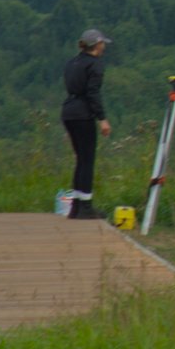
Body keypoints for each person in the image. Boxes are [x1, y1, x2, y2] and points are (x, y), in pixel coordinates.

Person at [59, 29, 112, 220]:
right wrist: (102, 118)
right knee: (87, 160)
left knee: (80, 160)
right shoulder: (95, 65)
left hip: (68, 112)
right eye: (102, 44)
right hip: (83, 114)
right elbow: (92, 93)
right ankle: (86, 206)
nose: (104, 47)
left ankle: (76, 207)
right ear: (97, 45)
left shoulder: (72, 63)